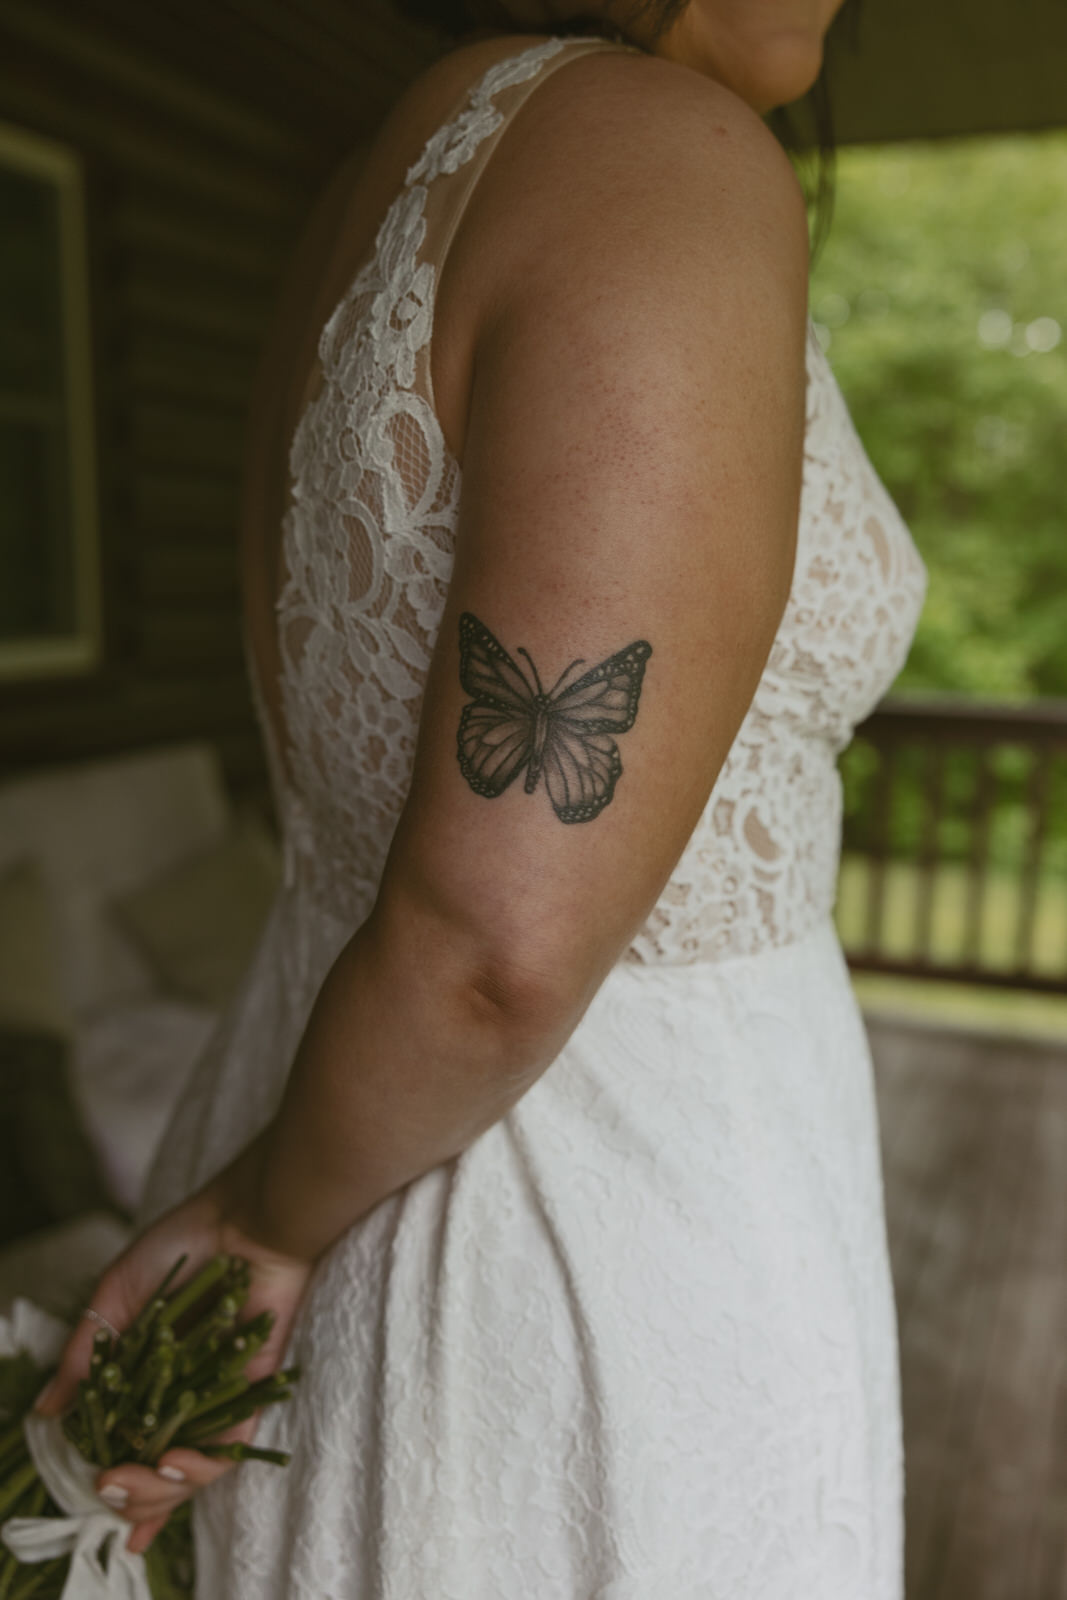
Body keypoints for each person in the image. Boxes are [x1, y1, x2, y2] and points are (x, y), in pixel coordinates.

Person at [39, 0, 929, 1593]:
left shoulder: (387, 173)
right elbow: (501, 939)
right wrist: (256, 1223)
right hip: (581, 1218)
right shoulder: (658, 157)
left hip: (323, 1097)